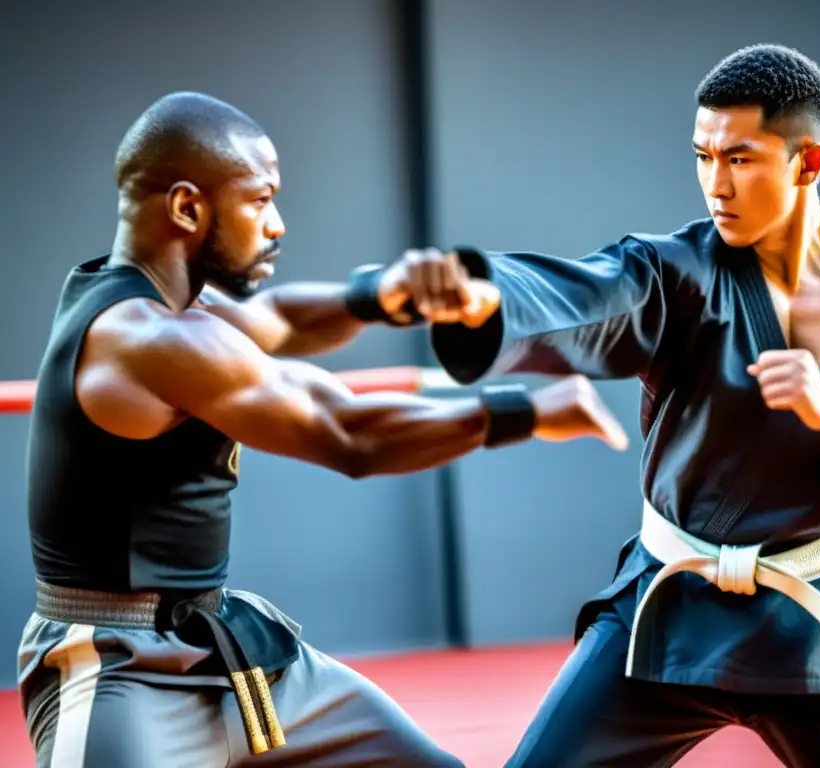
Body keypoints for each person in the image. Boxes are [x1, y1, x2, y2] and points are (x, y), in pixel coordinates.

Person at [18, 91, 629, 768]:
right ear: (189, 208)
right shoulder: (142, 337)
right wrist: (528, 411)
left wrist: (381, 295)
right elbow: (349, 436)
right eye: (259, 201)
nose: (277, 224)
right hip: (117, 672)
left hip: (225, 651)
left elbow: (282, 320)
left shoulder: (174, 303)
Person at [426, 44, 820, 766]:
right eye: (702, 156)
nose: (714, 185)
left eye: (740, 159)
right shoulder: (674, 271)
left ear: (808, 163)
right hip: (670, 615)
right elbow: (590, 293)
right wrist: (486, 298)